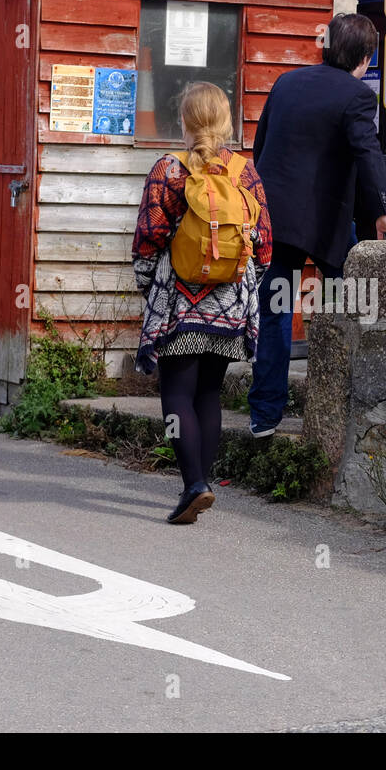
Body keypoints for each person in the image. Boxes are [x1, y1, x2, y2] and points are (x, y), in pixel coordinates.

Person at [247, 13, 386, 437]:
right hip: (326, 226)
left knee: (276, 310)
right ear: (366, 57)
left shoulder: (286, 83)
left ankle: (265, 414)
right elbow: (368, 153)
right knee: (340, 307)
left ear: (326, 46)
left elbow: (261, 145)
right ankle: (333, 405)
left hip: (275, 218)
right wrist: (383, 213)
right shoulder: (356, 95)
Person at [133, 81, 273, 525]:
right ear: (227, 121)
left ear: (185, 121)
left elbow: (149, 238)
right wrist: (242, 287)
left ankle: (194, 485)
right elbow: (265, 244)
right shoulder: (245, 172)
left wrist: (148, 288)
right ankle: (201, 482)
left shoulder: (168, 170)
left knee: (176, 391)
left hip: (179, 302)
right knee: (209, 393)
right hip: (230, 303)